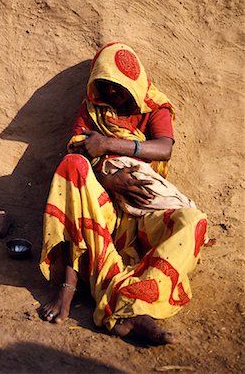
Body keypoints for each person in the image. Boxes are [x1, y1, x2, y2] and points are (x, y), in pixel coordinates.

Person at [39, 42, 209, 345]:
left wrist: (109, 145)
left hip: (144, 212)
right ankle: (70, 285)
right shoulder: (94, 108)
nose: (113, 96)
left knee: (193, 221)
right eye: (105, 87)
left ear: (134, 82)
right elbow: (79, 150)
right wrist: (108, 177)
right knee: (72, 164)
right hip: (103, 212)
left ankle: (130, 301)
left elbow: (164, 148)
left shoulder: (154, 106)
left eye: (119, 88)